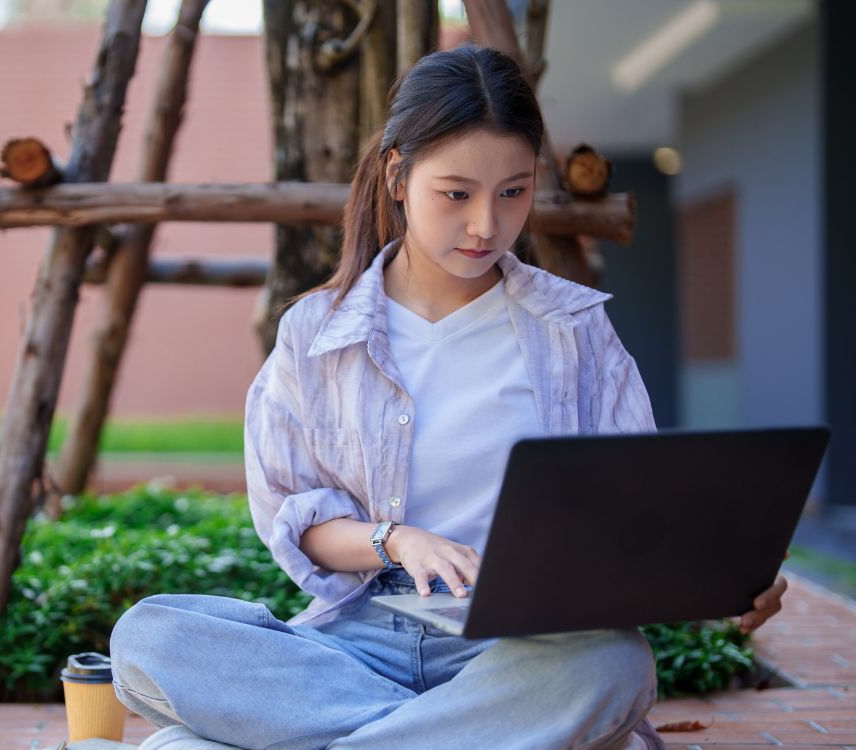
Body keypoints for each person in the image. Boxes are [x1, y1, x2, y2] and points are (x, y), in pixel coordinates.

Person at [109, 42, 788, 750]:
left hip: (519, 656)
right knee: (151, 636)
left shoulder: (575, 330)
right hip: (355, 648)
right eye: (456, 194)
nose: (486, 226)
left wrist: (721, 582)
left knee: (613, 663)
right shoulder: (316, 332)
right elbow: (295, 516)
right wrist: (395, 540)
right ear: (398, 176)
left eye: (514, 192)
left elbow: (640, 512)